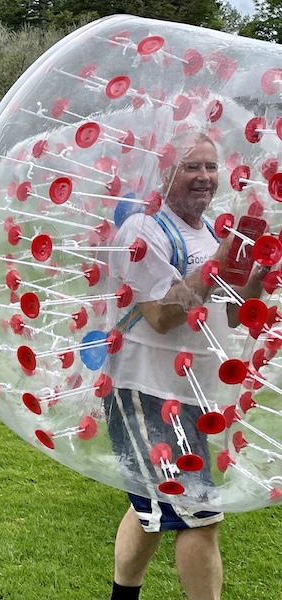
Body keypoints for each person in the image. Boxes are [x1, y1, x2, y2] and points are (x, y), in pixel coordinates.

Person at [104, 131, 267, 600]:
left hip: (193, 393)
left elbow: (234, 314)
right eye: (191, 166)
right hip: (142, 392)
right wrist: (217, 265)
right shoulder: (143, 231)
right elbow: (159, 315)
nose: (204, 178)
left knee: (151, 509)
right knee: (201, 515)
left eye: (211, 167)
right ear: (165, 173)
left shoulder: (216, 229)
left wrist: (252, 278)